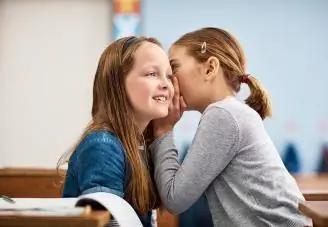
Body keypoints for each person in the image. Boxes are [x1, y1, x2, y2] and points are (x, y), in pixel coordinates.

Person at [150, 27, 312, 226]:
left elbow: (174, 200)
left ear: (210, 68)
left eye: (173, 69)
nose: (169, 81)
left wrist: (163, 131)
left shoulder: (222, 115)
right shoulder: (230, 111)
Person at [57, 36, 174, 227]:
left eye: (169, 76)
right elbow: (108, 223)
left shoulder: (140, 144)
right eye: (152, 73)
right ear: (118, 83)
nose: (165, 84)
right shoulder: (103, 146)